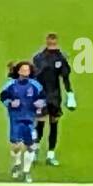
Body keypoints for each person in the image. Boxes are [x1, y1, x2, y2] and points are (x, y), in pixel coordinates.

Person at [31, 32, 76, 165]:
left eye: (54, 42)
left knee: (54, 124)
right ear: (47, 42)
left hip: (55, 96)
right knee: (39, 124)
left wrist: (70, 95)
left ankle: (51, 154)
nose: (52, 44)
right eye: (50, 42)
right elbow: (34, 76)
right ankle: (35, 151)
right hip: (40, 95)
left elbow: (65, 77)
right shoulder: (39, 58)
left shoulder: (61, 58)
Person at [0, 61, 47, 181]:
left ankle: (26, 171)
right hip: (15, 119)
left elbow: (43, 98)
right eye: (23, 69)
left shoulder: (35, 85)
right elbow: (3, 97)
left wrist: (40, 104)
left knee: (30, 146)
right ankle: (16, 164)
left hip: (30, 120)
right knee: (16, 146)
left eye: (28, 70)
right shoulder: (11, 85)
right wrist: (10, 103)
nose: (26, 72)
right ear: (19, 71)